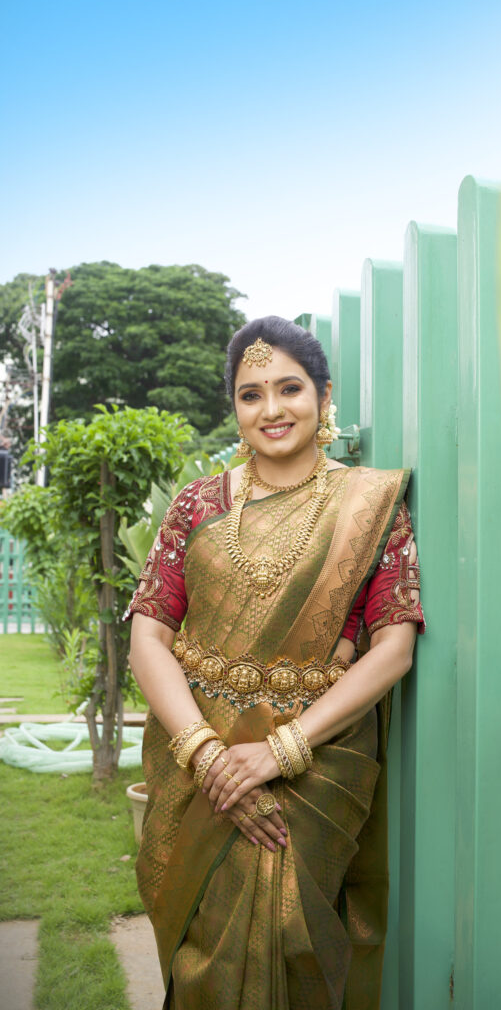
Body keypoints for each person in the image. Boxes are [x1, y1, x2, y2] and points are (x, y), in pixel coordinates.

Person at [126, 316, 425, 1010]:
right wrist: (207, 756)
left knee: (296, 931)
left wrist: (280, 751)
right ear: (233, 407)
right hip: (198, 762)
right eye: (250, 394)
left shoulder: (370, 505)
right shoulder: (197, 505)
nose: (271, 409)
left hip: (317, 765)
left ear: (323, 397)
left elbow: (395, 646)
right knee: (203, 953)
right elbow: (149, 636)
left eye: (288, 388)